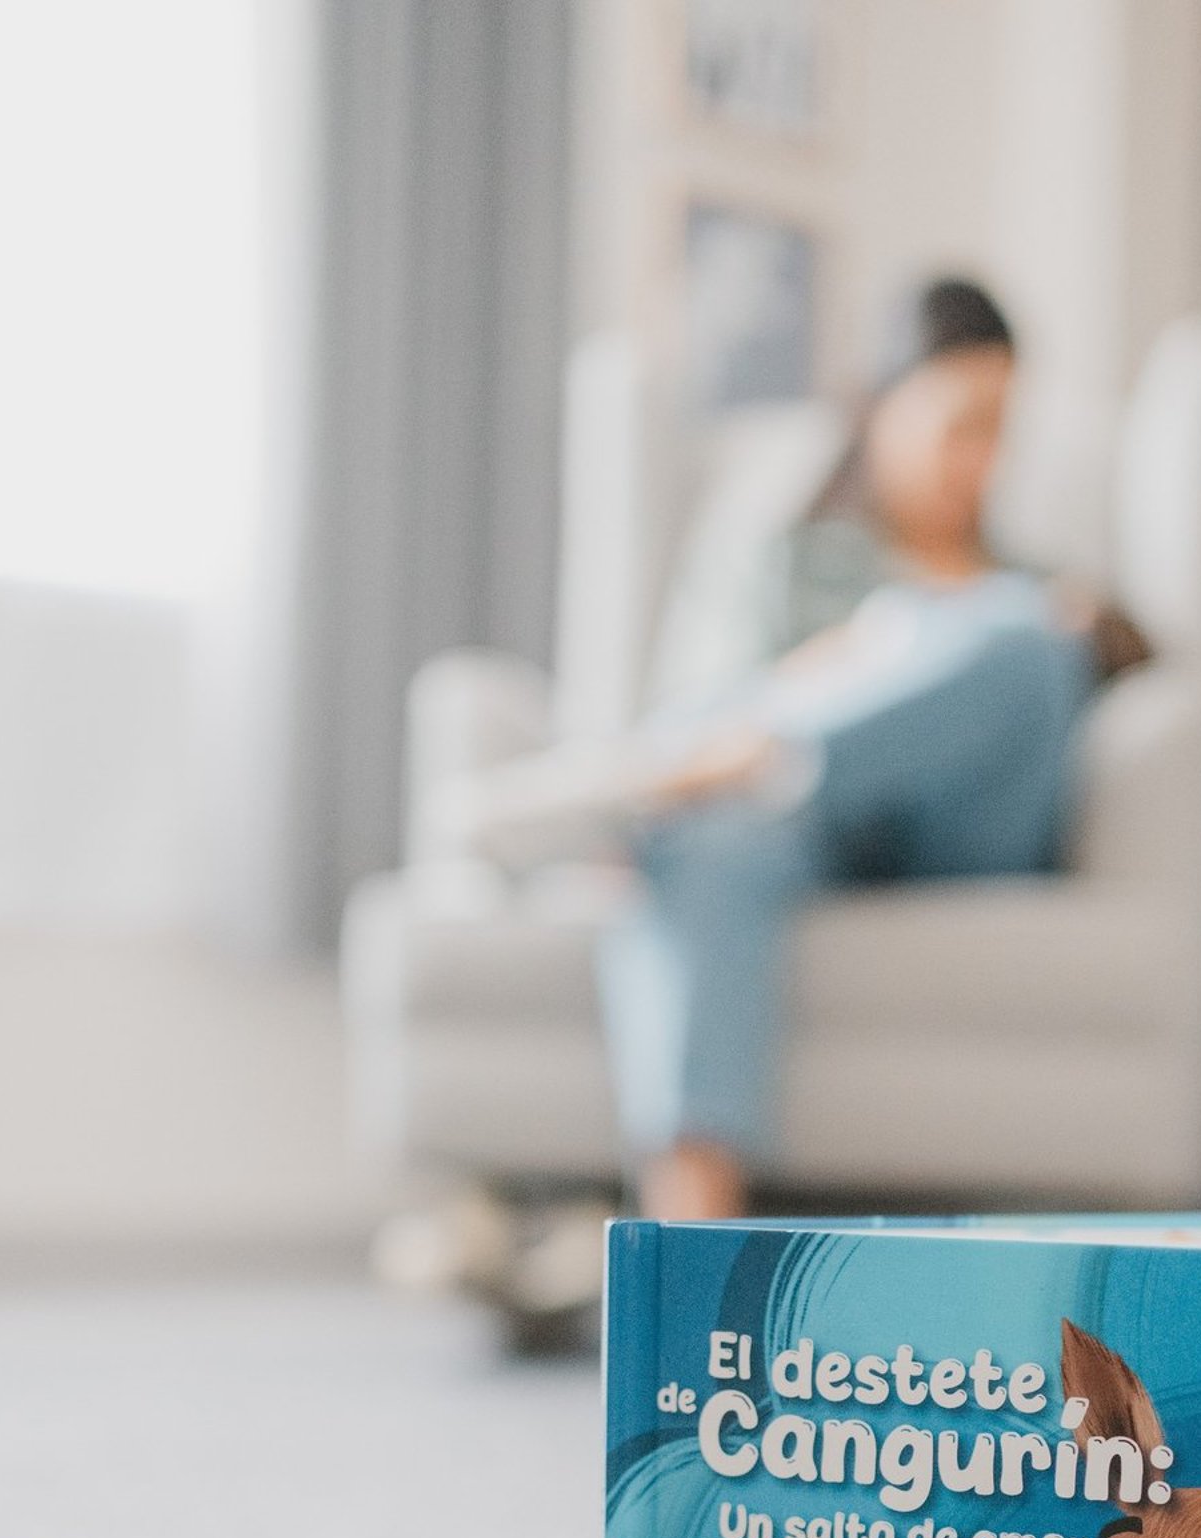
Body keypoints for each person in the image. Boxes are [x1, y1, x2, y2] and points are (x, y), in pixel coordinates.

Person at [449, 277, 1146, 1228]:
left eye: (1000, 430)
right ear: (880, 409)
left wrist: (1054, 628)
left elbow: (1124, 668)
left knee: (1025, 642)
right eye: (959, 423)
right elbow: (705, 698)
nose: (980, 459)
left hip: (963, 834)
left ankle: (678, 772)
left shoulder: (1027, 584)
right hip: (808, 835)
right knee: (707, 843)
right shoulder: (791, 562)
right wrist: (839, 663)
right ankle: (689, 1249)